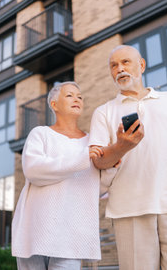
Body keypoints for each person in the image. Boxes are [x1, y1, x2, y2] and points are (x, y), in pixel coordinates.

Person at [89, 45, 167, 270]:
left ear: (142, 65)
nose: (120, 69)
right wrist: (121, 146)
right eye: (114, 65)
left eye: (125, 62)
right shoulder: (103, 112)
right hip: (130, 209)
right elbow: (98, 161)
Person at [12, 81, 110, 270]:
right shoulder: (40, 134)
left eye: (80, 97)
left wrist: (112, 165)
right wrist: (81, 158)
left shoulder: (93, 141)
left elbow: (97, 188)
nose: (77, 99)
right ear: (54, 105)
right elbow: (34, 171)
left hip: (71, 237)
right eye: (70, 95)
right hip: (34, 233)